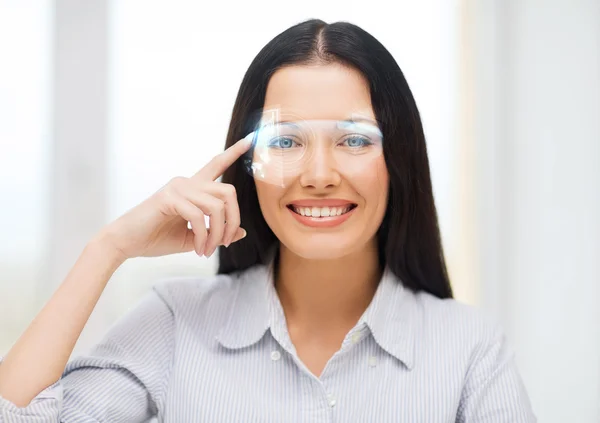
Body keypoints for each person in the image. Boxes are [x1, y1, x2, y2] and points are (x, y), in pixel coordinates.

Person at [0, 18, 536, 422]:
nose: (320, 174)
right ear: (249, 169)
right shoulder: (174, 324)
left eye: (353, 139)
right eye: (286, 141)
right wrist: (108, 247)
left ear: (398, 160)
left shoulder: (470, 350)